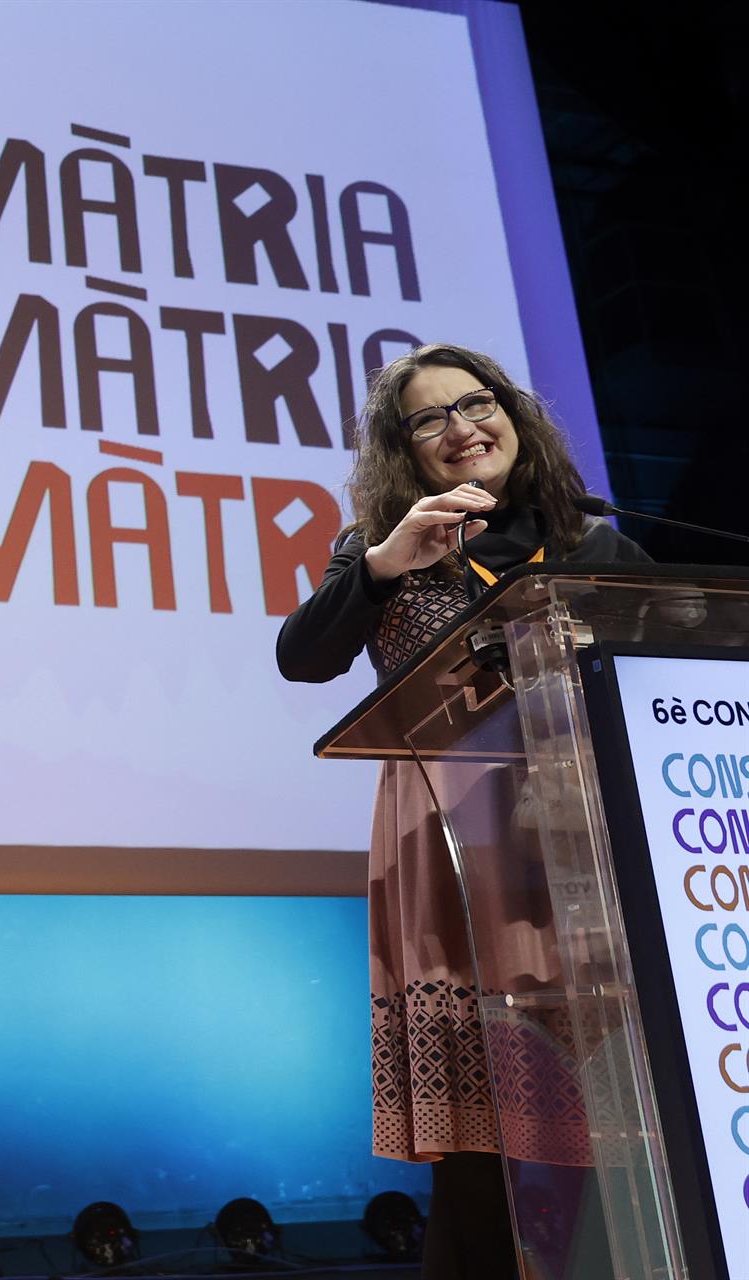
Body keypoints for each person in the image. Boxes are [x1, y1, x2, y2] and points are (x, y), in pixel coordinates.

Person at [277, 344, 649, 1280]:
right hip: (454, 848)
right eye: (429, 419)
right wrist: (383, 564)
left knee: (626, 1131)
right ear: (404, 451)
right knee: (487, 1148)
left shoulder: (593, 541)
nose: (461, 428)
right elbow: (303, 658)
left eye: (476, 403)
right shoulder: (382, 544)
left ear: (514, 416)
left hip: (591, 843)